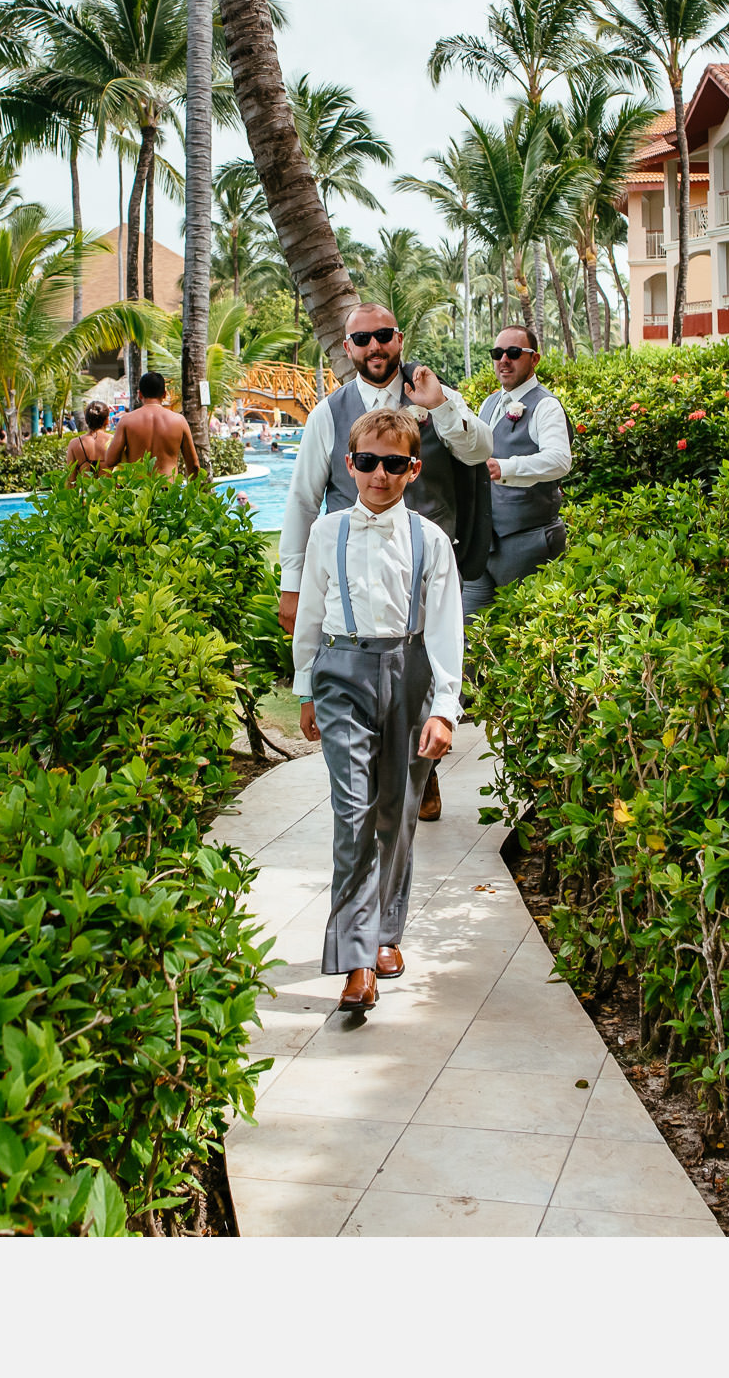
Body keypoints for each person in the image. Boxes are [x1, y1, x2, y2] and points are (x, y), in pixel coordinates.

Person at [276, 303, 492, 822]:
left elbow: (480, 447)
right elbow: (304, 499)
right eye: (362, 339)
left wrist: (439, 406)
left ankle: (424, 771)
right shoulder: (330, 412)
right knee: (363, 667)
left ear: (399, 338)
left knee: (419, 661)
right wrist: (292, 582)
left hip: (424, 562)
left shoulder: (433, 391)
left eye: (384, 336)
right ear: (347, 349)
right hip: (353, 566)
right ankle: (371, 778)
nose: (375, 346)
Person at [293, 406, 463, 1014]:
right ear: (350, 465)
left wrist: (444, 708)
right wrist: (305, 688)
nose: (379, 475)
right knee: (353, 812)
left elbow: (446, 631)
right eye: (368, 463)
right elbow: (311, 611)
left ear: (413, 469)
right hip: (341, 672)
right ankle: (356, 960)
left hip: (409, 672)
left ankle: (387, 931)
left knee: (397, 810)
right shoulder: (326, 532)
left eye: (394, 464)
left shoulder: (430, 540)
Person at [460, 325, 572, 617]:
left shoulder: (545, 405)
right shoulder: (489, 403)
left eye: (513, 353)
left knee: (524, 634)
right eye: (498, 353)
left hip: (528, 541)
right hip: (483, 543)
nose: (504, 360)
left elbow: (560, 460)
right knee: (468, 635)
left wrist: (505, 467)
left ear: (534, 359)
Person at [104, 371, 204, 475]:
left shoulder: (126, 421)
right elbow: (194, 465)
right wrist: (194, 488)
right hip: (168, 489)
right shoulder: (179, 421)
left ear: (140, 394)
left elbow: (110, 460)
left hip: (138, 488)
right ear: (164, 394)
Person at [65, 402, 112, 475]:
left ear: (86, 420)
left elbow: (70, 480)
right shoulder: (113, 441)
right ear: (107, 421)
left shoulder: (75, 444)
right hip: (110, 486)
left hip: (86, 486)